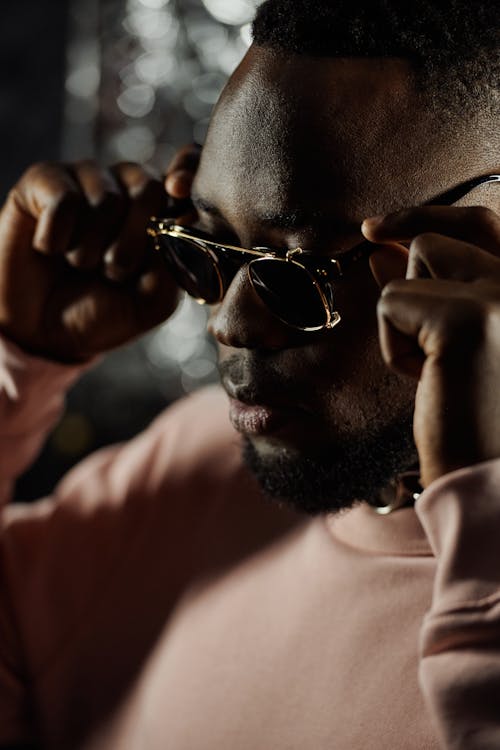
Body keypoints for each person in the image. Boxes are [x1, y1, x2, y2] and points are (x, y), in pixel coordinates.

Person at [1, 0, 499, 747]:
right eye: (210, 244)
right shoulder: (193, 463)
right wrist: (18, 368)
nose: (226, 324)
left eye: (300, 271)